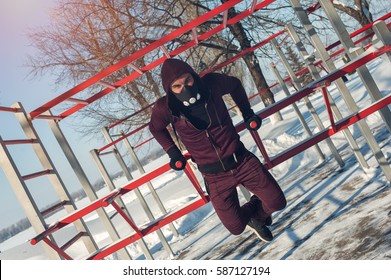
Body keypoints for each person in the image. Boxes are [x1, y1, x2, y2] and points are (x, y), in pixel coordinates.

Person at [149, 58, 286, 242]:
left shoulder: (211, 84)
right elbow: (155, 128)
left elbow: (235, 85)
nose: (185, 88)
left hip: (242, 160)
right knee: (236, 227)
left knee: (277, 202)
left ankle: (257, 217)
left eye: (187, 80)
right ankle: (252, 218)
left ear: (193, 76)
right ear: (170, 89)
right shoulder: (165, 108)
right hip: (214, 176)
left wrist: (247, 113)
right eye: (177, 86)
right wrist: (173, 153)